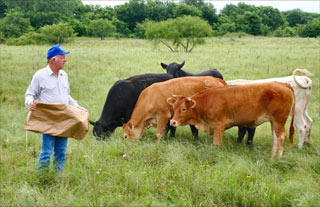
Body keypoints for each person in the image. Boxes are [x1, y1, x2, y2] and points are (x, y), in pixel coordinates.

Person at [25, 44, 87, 172]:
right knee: (46, 152)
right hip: (48, 118)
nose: (65, 60)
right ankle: (42, 177)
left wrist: (76, 106)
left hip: (64, 118)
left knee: (61, 152)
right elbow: (30, 93)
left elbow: (67, 96)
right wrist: (30, 102)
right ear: (54, 59)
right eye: (62, 57)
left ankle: (59, 177)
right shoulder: (40, 75)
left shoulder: (64, 75)